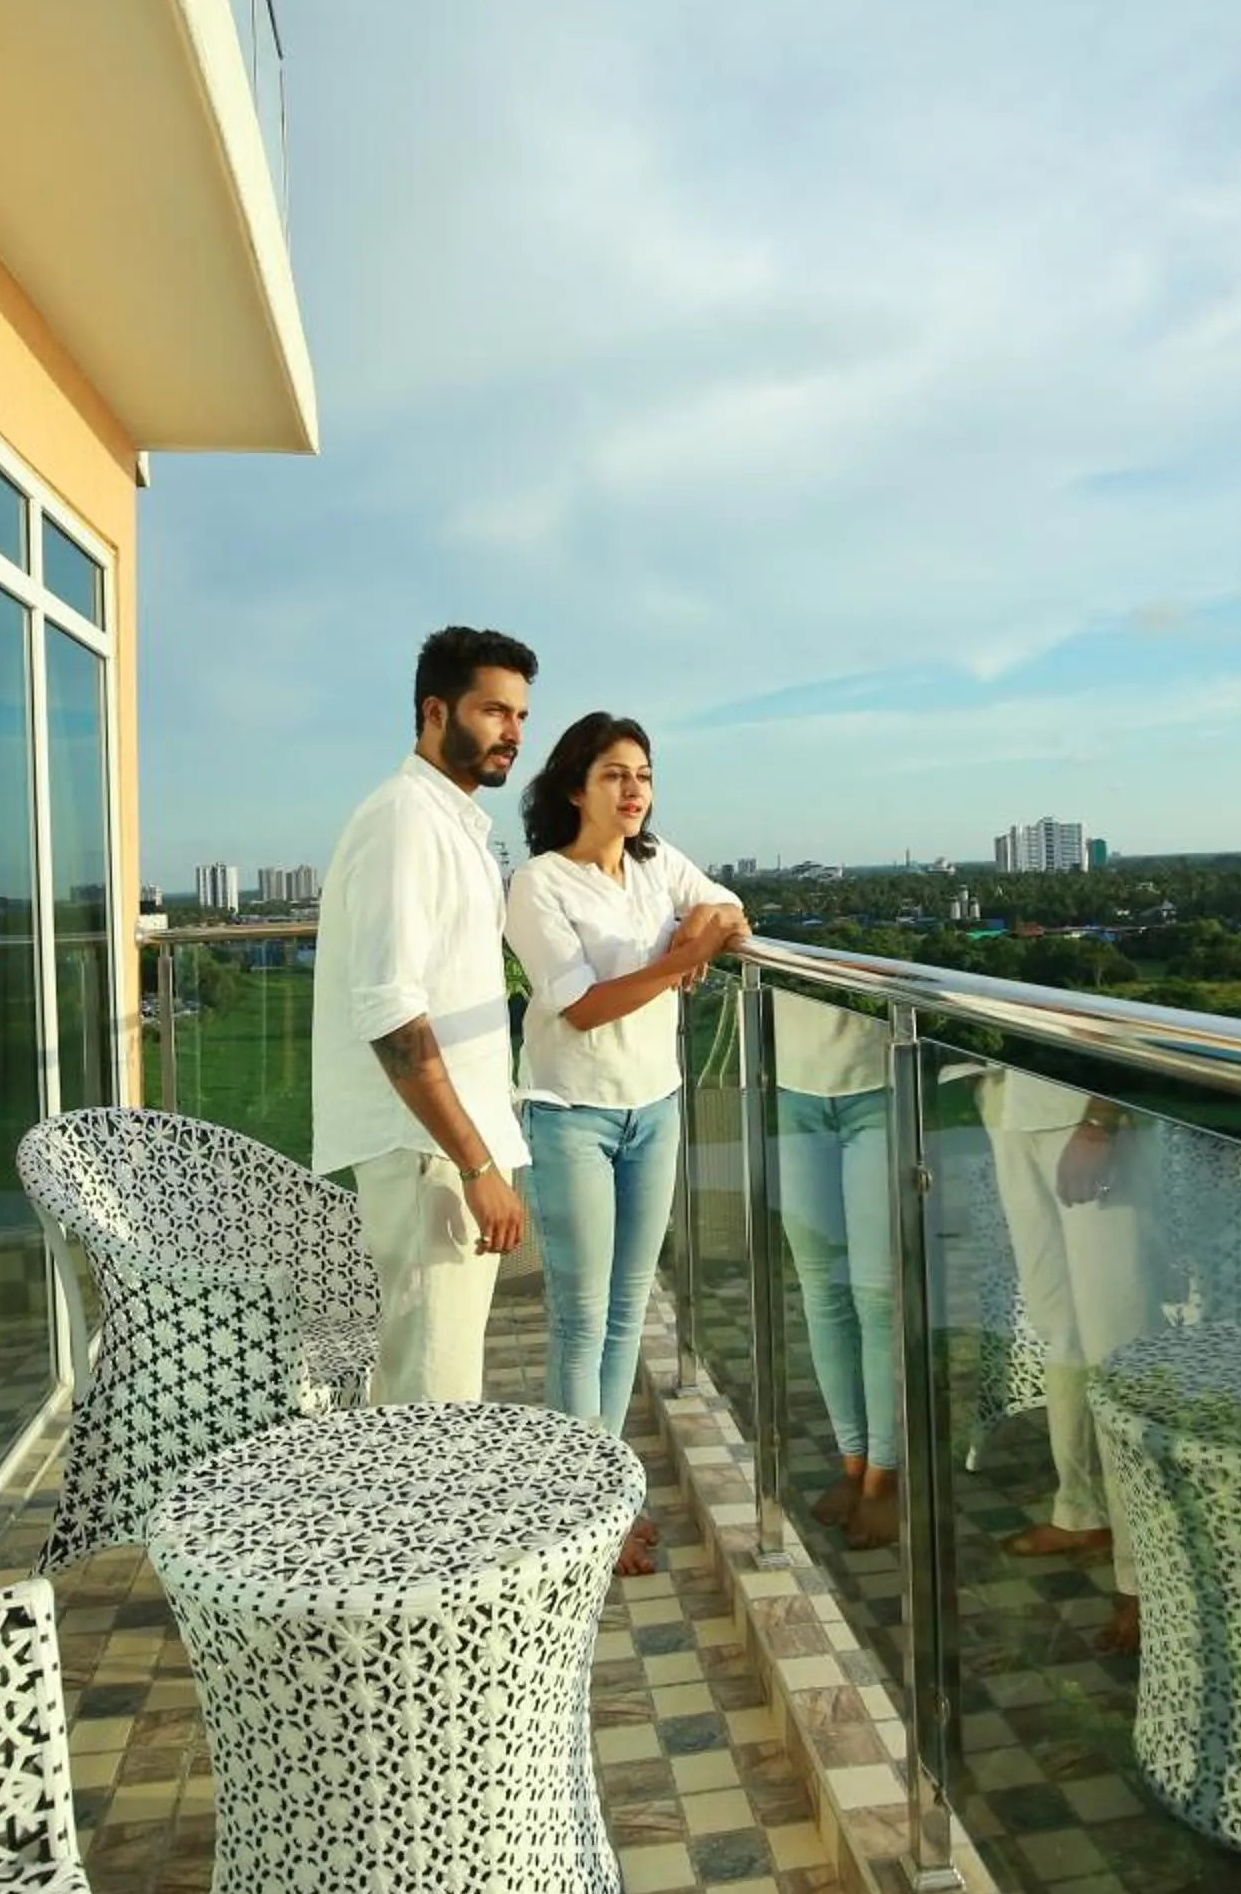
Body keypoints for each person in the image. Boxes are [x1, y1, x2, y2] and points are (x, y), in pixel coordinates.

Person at [504, 712, 746, 1574]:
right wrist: (683, 960)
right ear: (575, 787)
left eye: (642, 773)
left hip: (658, 1108)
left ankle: (608, 1503)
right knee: (582, 1319)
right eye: (615, 774)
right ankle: (579, 1524)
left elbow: (728, 908)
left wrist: (698, 929)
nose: (634, 789)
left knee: (629, 1311)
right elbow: (582, 1006)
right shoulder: (539, 884)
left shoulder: (655, 863)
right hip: (573, 1112)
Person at [312, 627, 537, 1406]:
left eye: (519, 716)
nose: (511, 732)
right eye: (492, 711)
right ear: (435, 712)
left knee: (424, 1385)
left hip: (444, 1148)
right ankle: (418, 1530)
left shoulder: (452, 822)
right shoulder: (406, 821)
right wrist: (475, 1166)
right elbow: (389, 1010)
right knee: (434, 1402)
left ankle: (407, 1526)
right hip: (428, 1156)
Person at [976, 1060, 1159, 1652]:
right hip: (1010, 1103)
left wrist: (1102, 1118)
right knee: (1062, 1330)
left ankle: (1144, 1579)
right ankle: (1079, 1510)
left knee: (1118, 1346)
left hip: (1081, 1114)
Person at [774, 991, 902, 1549]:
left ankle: (886, 1477)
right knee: (822, 1293)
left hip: (880, 1085)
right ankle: (853, 1464)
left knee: (877, 1297)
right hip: (792, 1089)